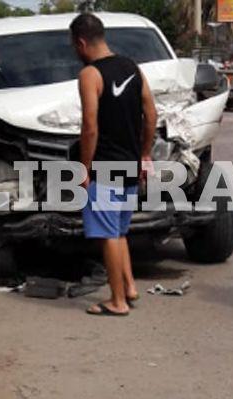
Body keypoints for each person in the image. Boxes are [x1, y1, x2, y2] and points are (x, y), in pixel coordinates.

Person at [70, 13, 156, 316]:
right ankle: (129, 287)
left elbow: (90, 127)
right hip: (130, 165)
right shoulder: (133, 68)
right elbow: (152, 115)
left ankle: (117, 301)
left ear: (81, 43)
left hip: (105, 168)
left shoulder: (90, 75)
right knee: (118, 232)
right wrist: (144, 153)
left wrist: (83, 169)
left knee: (108, 235)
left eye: (74, 47)